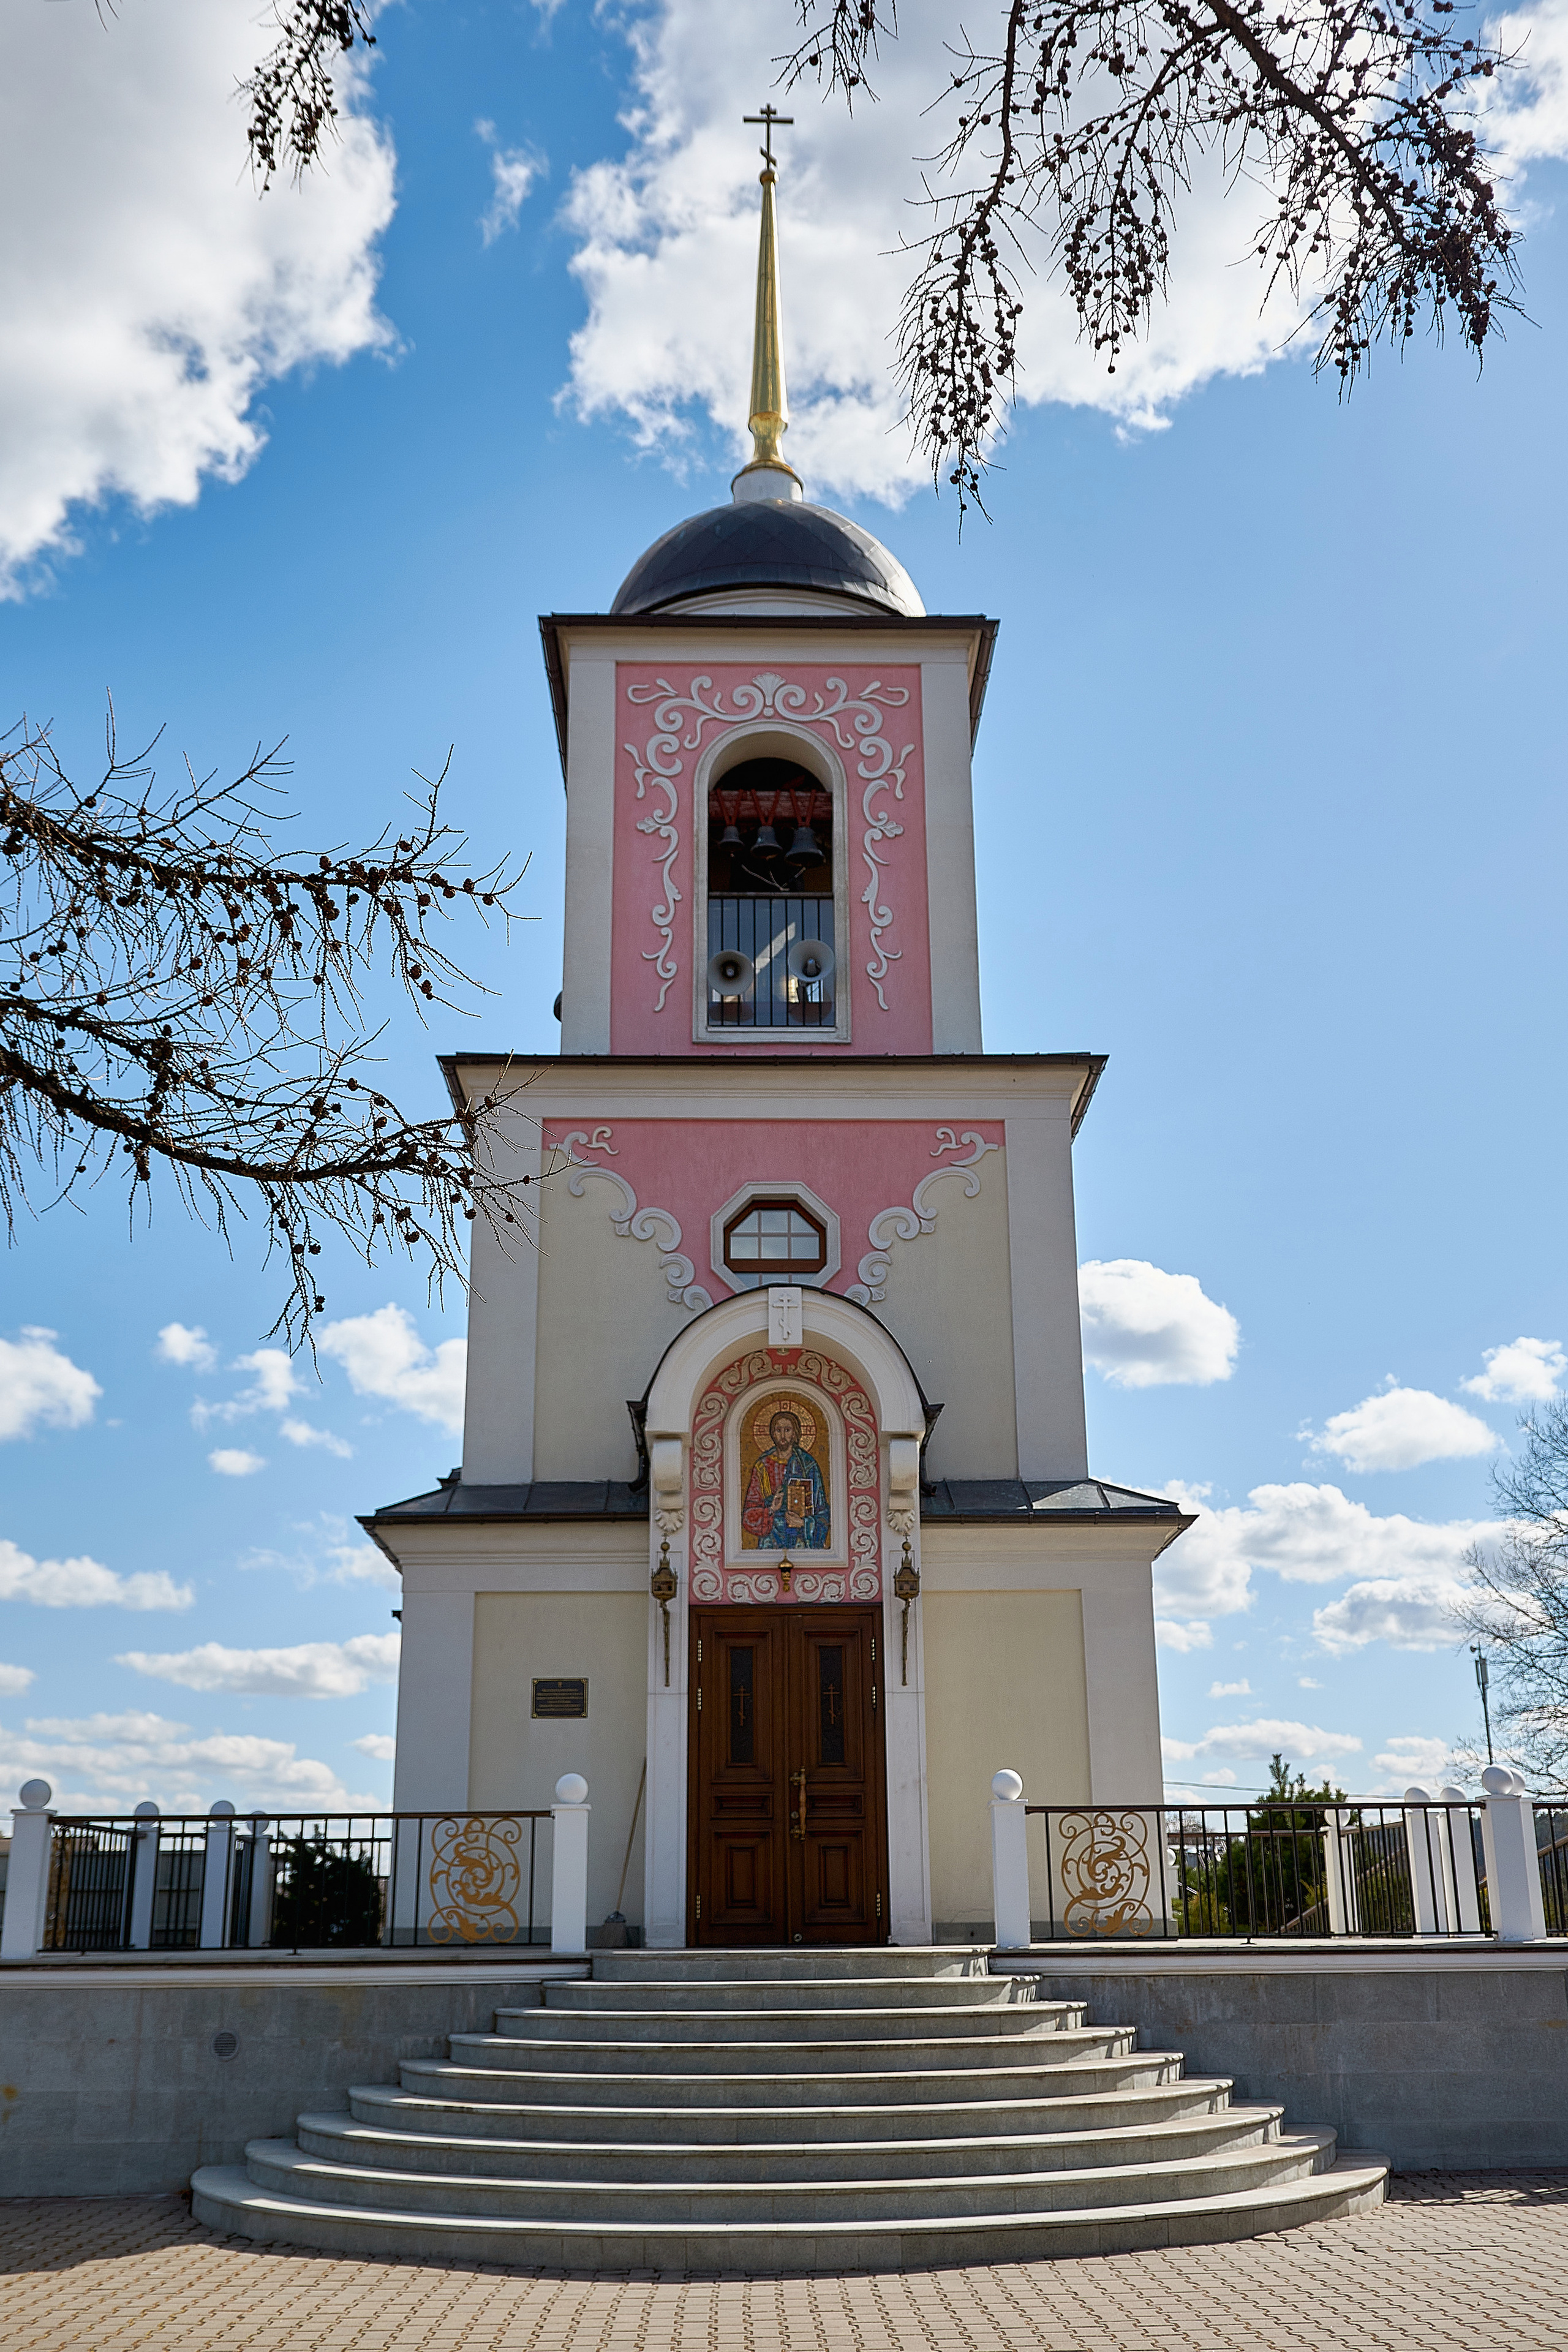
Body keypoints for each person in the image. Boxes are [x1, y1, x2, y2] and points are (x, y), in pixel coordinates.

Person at [742, 1409, 829, 1549]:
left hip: (800, 1540)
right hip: (771, 1540)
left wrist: (803, 1523)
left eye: (787, 1430)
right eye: (778, 1430)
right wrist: (771, 1509)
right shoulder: (762, 1466)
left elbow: (822, 1512)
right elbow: (749, 1514)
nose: (783, 1435)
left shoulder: (808, 1465)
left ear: (795, 1434)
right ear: (772, 1433)